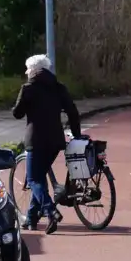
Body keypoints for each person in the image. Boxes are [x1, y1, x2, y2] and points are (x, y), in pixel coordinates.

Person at [12, 54, 82, 234]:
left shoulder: (28, 88)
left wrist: (22, 102)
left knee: (34, 179)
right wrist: (76, 135)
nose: (27, 73)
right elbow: (73, 112)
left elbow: (17, 114)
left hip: (35, 142)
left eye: (28, 70)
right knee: (40, 177)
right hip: (55, 142)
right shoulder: (58, 87)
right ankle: (31, 218)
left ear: (34, 70)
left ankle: (50, 210)